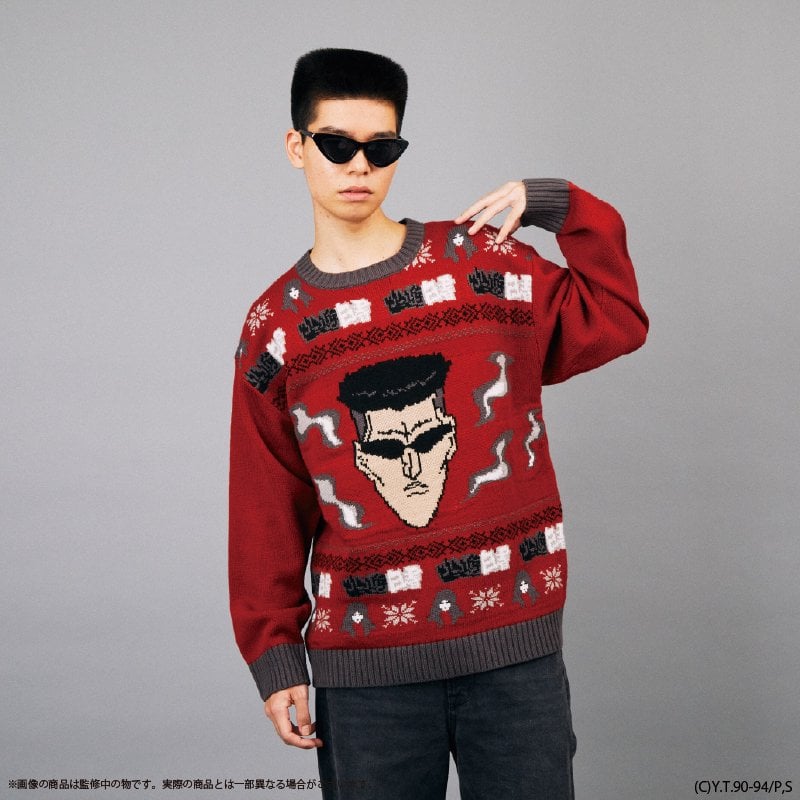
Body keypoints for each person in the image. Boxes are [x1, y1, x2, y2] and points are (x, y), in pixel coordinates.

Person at [229, 47, 648, 800]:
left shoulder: (483, 268)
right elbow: (265, 506)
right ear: (296, 147)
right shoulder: (277, 329)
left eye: (381, 147)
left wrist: (559, 205)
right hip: (366, 679)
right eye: (336, 144)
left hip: (515, 661)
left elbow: (615, 316)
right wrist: (275, 655)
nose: (359, 166)